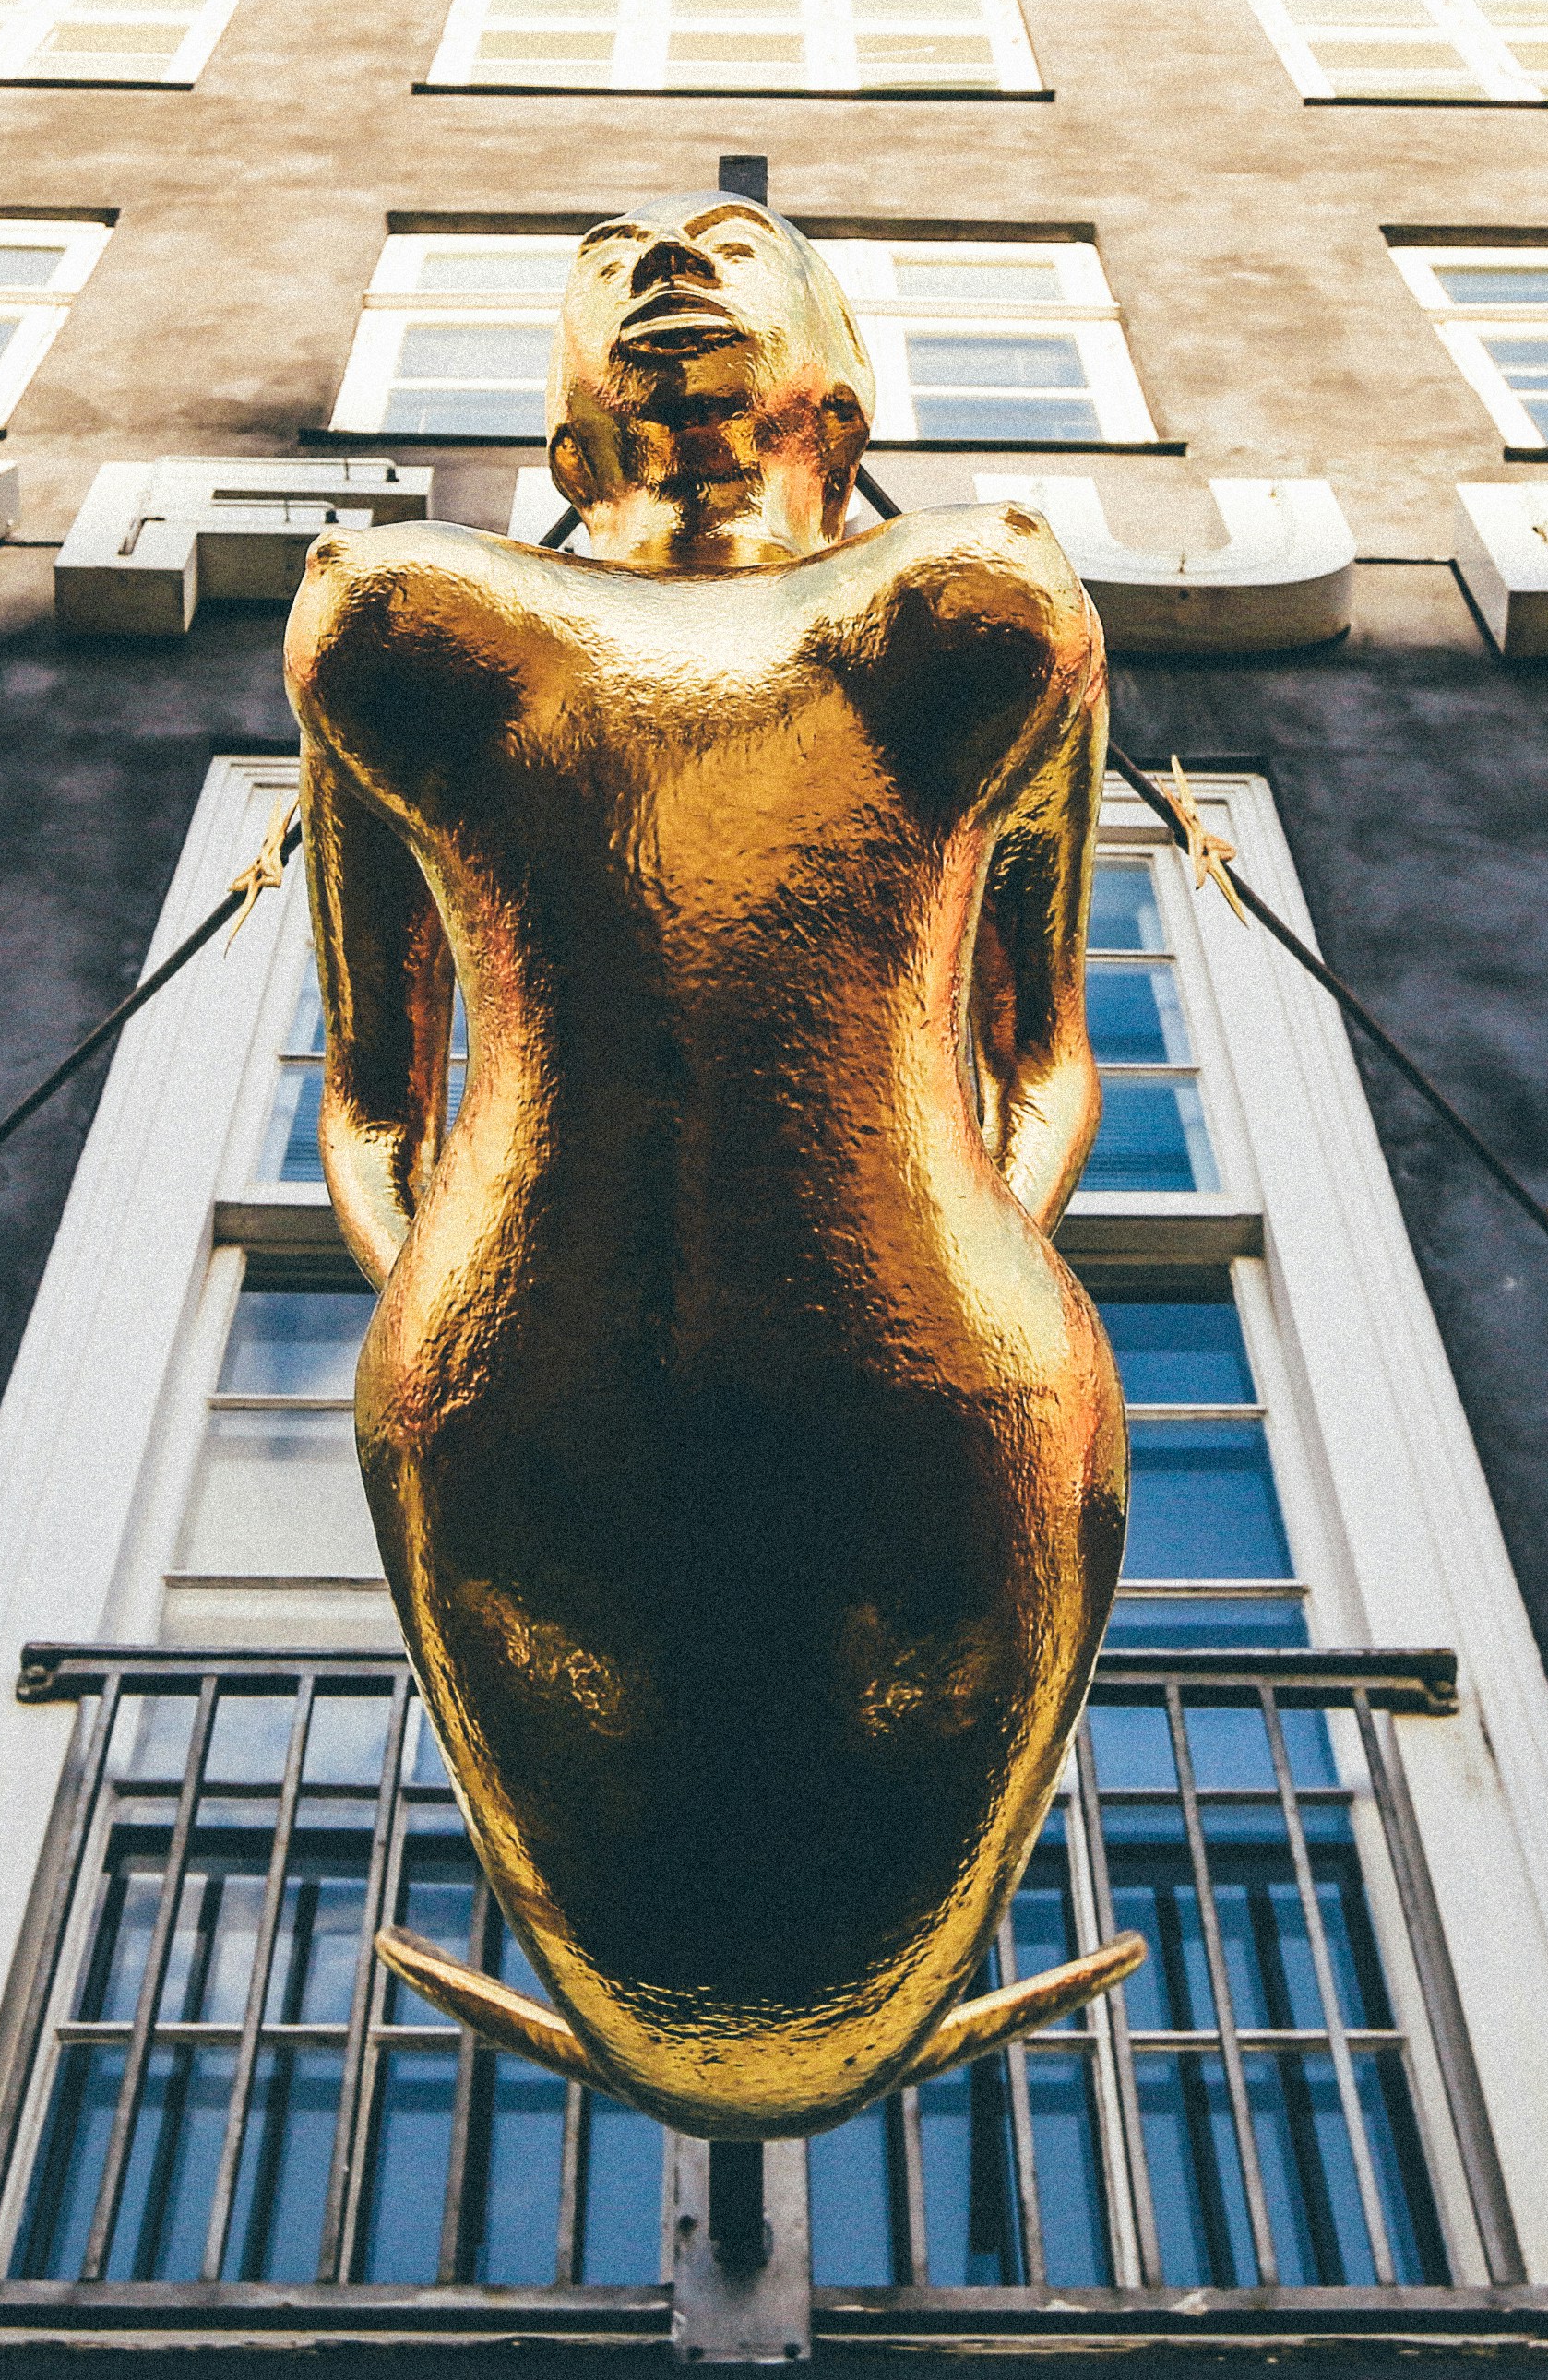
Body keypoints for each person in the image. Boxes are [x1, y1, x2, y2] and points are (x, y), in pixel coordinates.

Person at [284, 197, 1143, 2141]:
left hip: (948, 1354)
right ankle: (726, 2011)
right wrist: (435, 1306)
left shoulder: (979, 599)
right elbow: (368, 1090)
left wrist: (974, 1254)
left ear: (834, 388)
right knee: (587, 1725)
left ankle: (805, 2008)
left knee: (891, 1736)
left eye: (733, 245)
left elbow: (1038, 1045)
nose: (667, 262)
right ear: (561, 431)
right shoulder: (402, 614)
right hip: (514, 1364)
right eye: (606, 260)